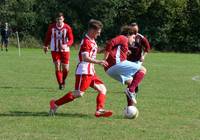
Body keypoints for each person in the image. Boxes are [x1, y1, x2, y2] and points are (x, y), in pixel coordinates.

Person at [49, 19, 113, 118]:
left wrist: (107, 48)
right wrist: (99, 61)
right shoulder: (86, 42)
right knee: (79, 93)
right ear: (92, 30)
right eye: (98, 32)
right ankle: (55, 103)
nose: (99, 34)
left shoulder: (92, 41)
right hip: (84, 71)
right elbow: (85, 57)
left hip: (91, 71)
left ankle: (99, 110)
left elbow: (94, 52)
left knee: (102, 89)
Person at [104, 25, 146, 106]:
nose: (134, 40)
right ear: (128, 35)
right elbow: (111, 43)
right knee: (142, 69)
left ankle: (129, 108)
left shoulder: (124, 44)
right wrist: (104, 58)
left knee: (131, 82)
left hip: (109, 70)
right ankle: (130, 91)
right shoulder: (123, 37)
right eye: (133, 37)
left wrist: (126, 52)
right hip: (116, 64)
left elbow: (113, 48)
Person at [43, 12, 74, 90]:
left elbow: (71, 39)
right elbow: (48, 37)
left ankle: (63, 81)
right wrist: (46, 45)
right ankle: (60, 83)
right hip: (54, 50)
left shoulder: (67, 27)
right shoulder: (52, 27)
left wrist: (66, 45)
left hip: (65, 50)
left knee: (65, 69)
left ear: (63, 19)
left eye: (60, 19)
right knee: (57, 65)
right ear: (56, 20)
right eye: (57, 19)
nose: (59, 21)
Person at [127, 23, 151, 93]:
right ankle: (132, 87)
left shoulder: (140, 37)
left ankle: (132, 88)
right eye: (134, 29)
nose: (135, 31)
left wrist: (143, 56)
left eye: (136, 29)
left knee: (136, 73)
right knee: (130, 74)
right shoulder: (127, 36)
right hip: (128, 60)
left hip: (137, 60)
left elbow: (147, 47)